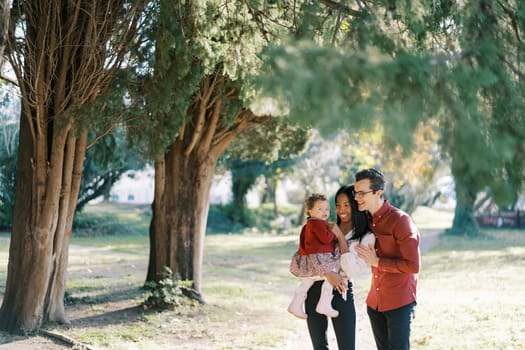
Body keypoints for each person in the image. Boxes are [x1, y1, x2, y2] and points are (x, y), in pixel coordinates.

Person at [353, 168, 420, 350]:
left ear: (378, 192)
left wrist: (378, 262)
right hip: (374, 303)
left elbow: (413, 266)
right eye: (355, 192)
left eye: (362, 193)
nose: (356, 197)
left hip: (399, 302)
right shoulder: (364, 219)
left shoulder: (401, 221)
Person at [305, 185, 375, 350]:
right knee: (319, 347)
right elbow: (308, 254)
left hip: (341, 292)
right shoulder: (324, 227)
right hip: (314, 290)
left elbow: (352, 271)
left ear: (355, 205)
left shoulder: (366, 236)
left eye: (346, 205)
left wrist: (340, 237)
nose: (341, 209)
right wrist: (328, 273)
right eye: (338, 205)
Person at [288, 193, 343, 319]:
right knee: (332, 275)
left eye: (327, 209)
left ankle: (296, 304)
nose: (324, 212)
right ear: (310, 211)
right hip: (320, 257)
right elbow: (325, 238)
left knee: (308, 280)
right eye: (320, 209)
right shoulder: (318, 223)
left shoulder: (308, 225)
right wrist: (334, 232)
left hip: (310, 258)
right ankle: (324, 303)